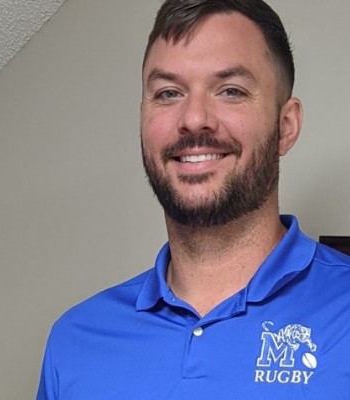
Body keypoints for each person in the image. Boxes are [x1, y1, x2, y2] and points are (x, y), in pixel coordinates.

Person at [37, 0, 350, 398]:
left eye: (231, 91)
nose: (194, 117)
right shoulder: (75, 341)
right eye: (168, 93)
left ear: (286, 126)